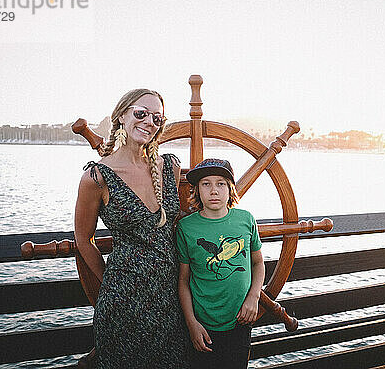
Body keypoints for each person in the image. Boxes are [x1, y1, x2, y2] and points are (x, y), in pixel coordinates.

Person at [74, 89, 189, 368]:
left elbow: (179, 224)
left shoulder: (169, 167)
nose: (149, 121)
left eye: (157, 118)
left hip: (170, 300)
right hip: (122, 303)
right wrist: (110, 284)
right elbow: (83, 239)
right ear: (122, 116)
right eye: (141, 113)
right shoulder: (97, 177)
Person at [176, 158, 265, 369]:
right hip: (203, 326)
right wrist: (191, 324)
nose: (213, 190)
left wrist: (254, 297)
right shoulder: (186, 228)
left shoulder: (246, 219)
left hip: (240, 321)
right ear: (197, 190)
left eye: (221, 183)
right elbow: (183, 281)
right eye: (206, 184)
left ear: (230, 188)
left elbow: (258, 263)